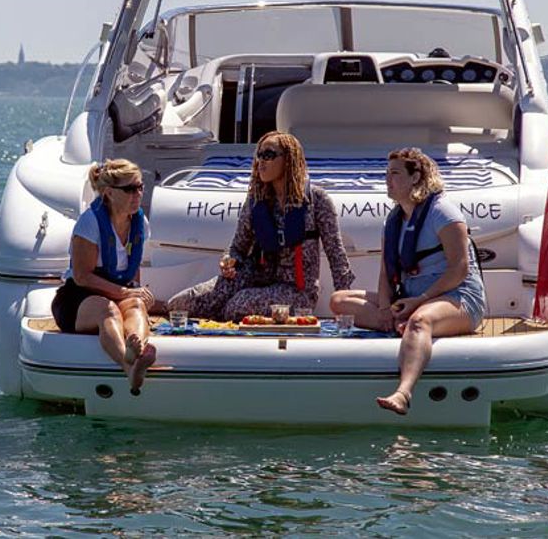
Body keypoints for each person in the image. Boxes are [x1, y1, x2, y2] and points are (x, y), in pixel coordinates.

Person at [329, 147, 486, 415]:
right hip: (412, 297)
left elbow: (459, 270)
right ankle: (399, 325)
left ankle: (403, 393)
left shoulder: (443, 213)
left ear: (416, 177)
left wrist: (420, 302)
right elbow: (385, 273)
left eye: (395, 173)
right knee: (339, 301)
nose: (387, 180)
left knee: (420, 320)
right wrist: (384, 309)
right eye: (386, 174)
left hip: (457, 297)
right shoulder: (393, 220)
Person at [166, 132, 355, 322]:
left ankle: (225, 317)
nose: (260, 162)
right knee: (182, 303)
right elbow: (237, 248)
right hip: (255, 277)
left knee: (237, 306)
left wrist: (345, 303)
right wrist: (229, 261)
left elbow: (336, 256)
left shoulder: (317, 200)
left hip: (296, 291)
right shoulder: (256, 200)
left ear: (288, 160)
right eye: (259, 155)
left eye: (269, 155)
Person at [50, 159, 157, 395]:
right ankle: (128, 367)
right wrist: (124, 292)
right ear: (109, 193)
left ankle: (135, 350)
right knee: (107, 310)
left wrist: (135, 292)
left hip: (119, 290)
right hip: (79, 296)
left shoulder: (141, 223)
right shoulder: (90, 222)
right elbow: (81, 276)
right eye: (129, 189)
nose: (137, 194)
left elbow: (132, 269)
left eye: (140, 187)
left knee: (137, 306)